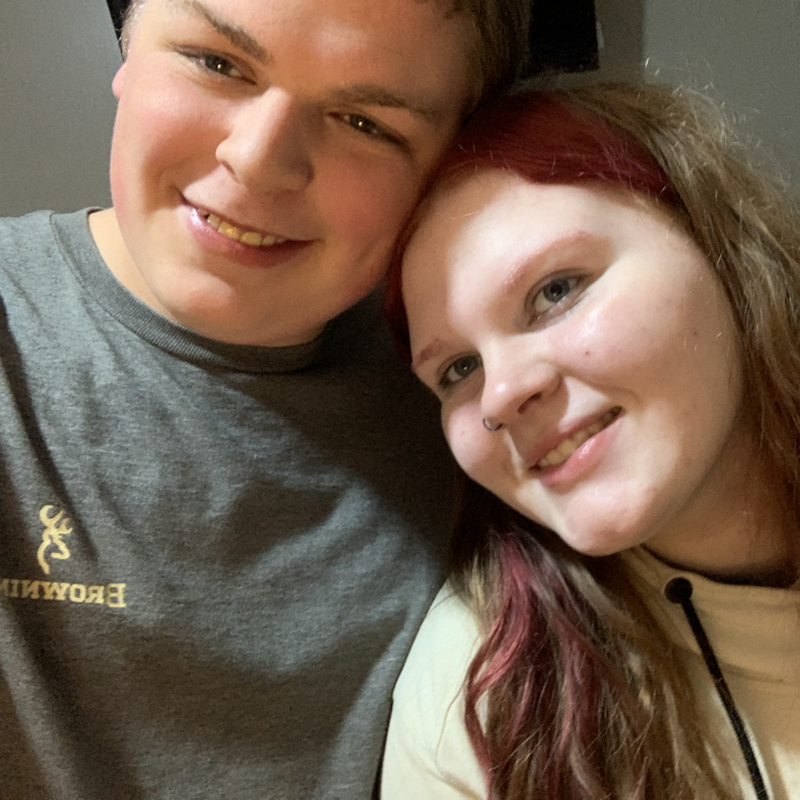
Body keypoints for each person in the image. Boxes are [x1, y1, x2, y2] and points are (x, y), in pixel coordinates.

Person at [0, 0, 533, 797]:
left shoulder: (490, 403)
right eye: (217, 63)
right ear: (128, 47)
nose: (257, 160)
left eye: (363, 122)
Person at [382, 83, 800, 800]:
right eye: (459, 370)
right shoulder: (477, 694)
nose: (500, 396)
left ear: (715, 241)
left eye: (556, 291)